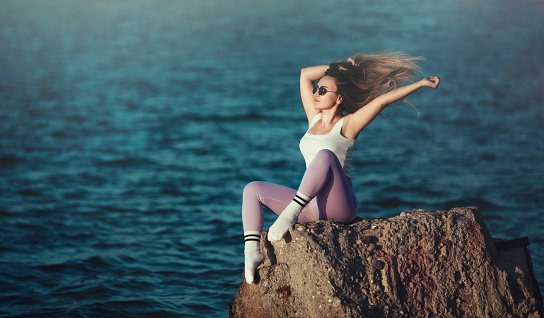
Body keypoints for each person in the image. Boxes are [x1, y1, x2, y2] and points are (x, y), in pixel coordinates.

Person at [241, 52, 440, 284]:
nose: (316, 93)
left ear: (338, 99)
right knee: (252, 188)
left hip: (341, 206)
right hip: (311, 207)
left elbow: (383, 100)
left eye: (323, 91)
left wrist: (421, 83)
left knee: (325, 156)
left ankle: (289, 215)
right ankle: (251, 252)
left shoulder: (349, 124)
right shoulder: (314, 119)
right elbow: (305, 74)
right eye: (317, 89)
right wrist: (342, 67)